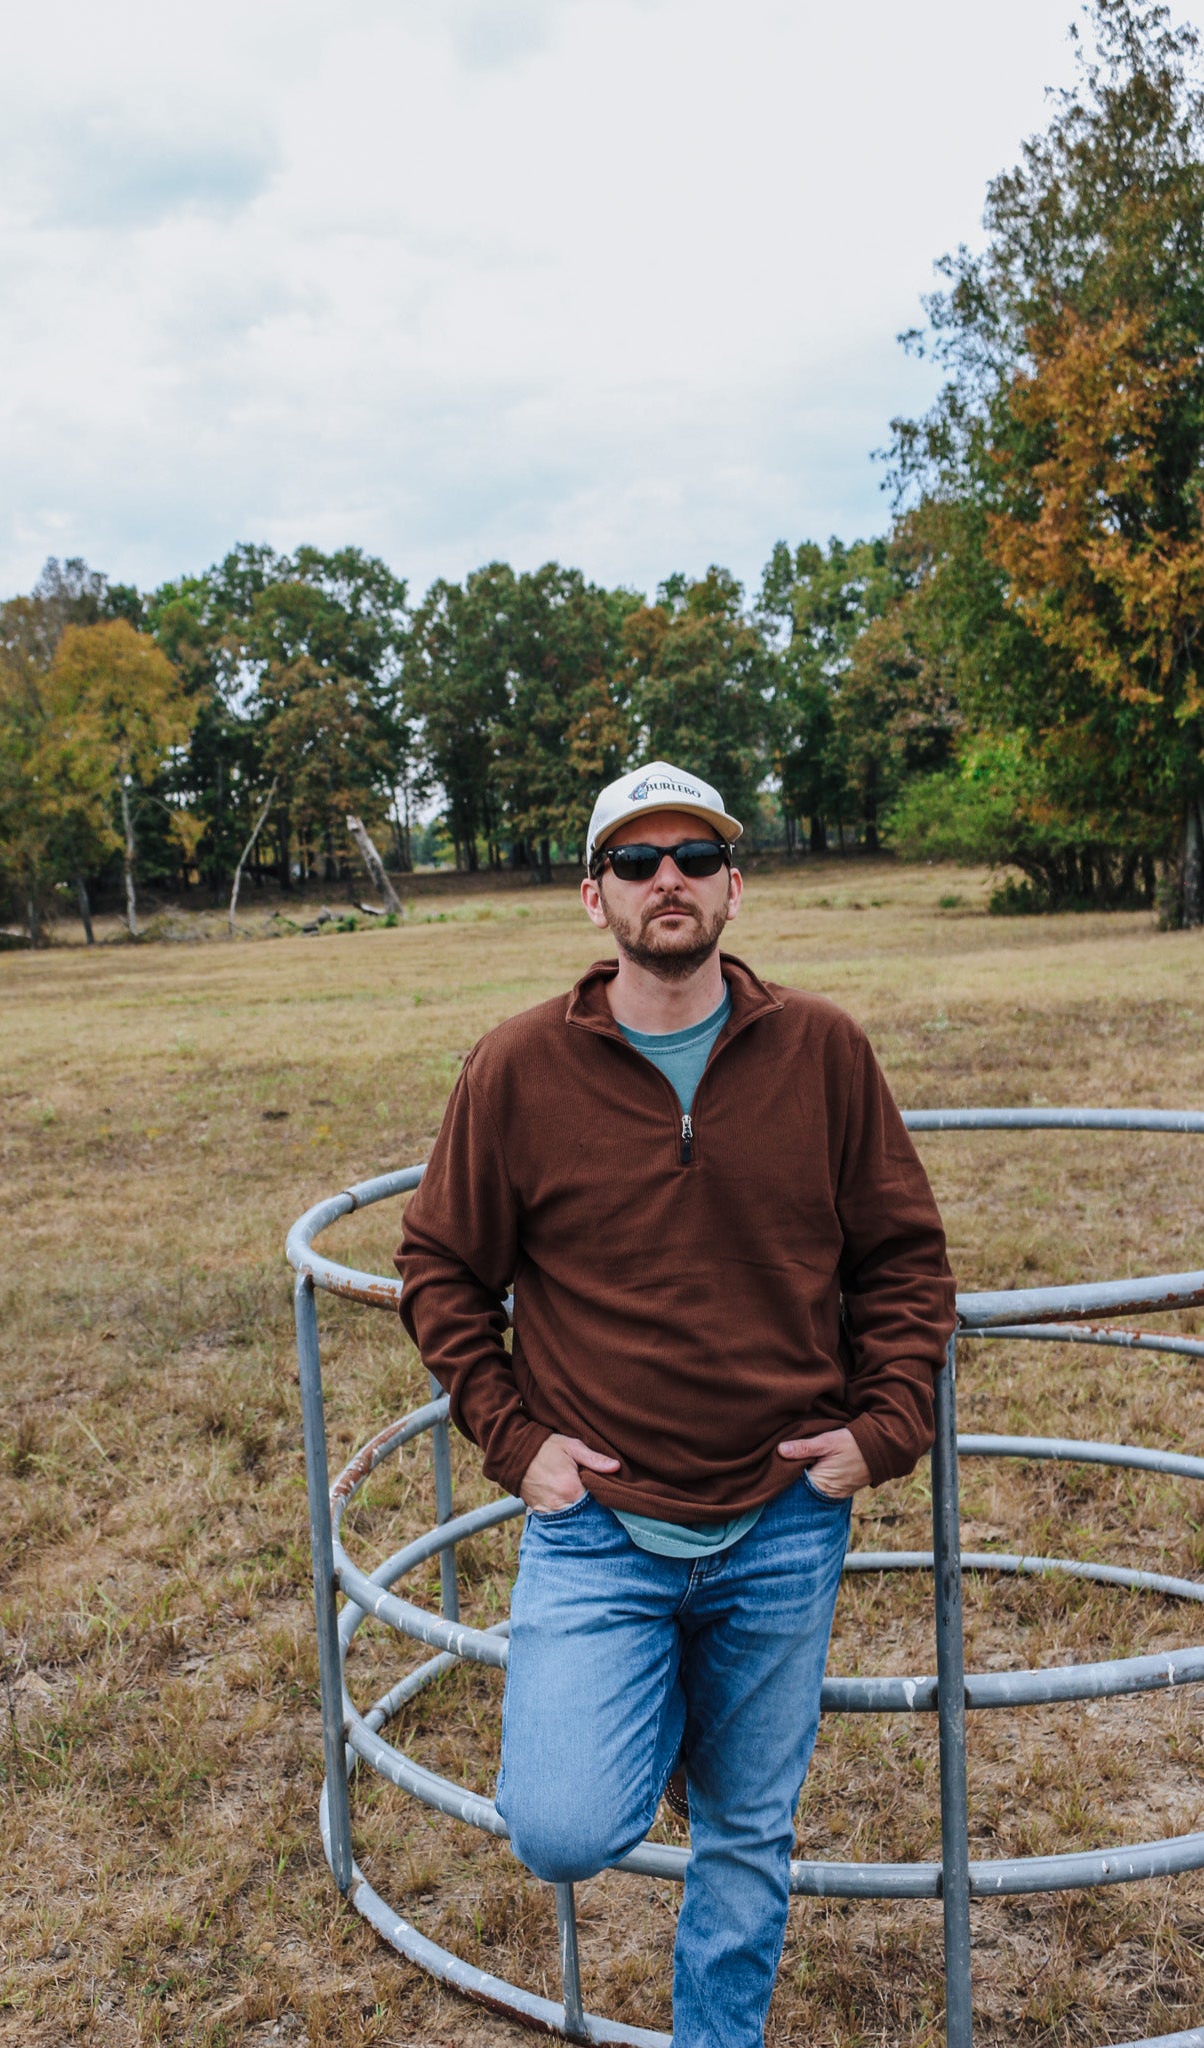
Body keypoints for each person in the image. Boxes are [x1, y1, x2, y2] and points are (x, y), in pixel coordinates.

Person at [395, 760, 955, 2048]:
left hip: (783, 1515)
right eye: (638, 862)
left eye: (695, 859)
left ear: (733, 889)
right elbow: (440, 1264)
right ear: (594, 898)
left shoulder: (822, 1051)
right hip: (599, 1518)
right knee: (563, 1825)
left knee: (749, 1835)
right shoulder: (521, 1067)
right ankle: (672, 1705)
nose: (669, 882)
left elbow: (905, 1260)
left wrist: (879, 1435)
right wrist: (515, 1440)